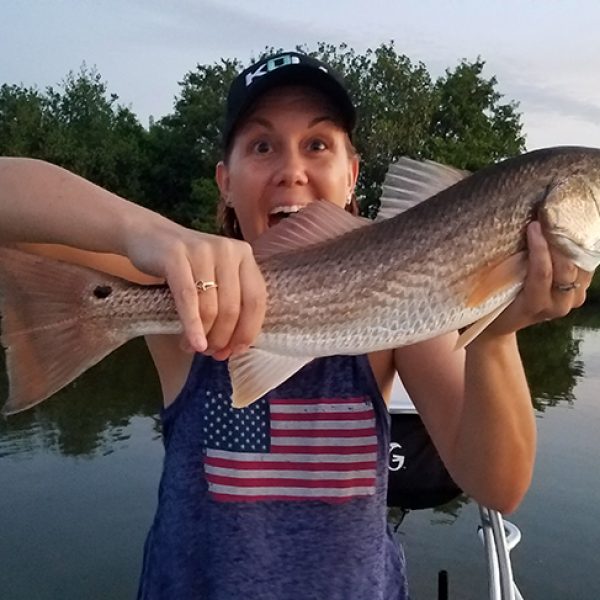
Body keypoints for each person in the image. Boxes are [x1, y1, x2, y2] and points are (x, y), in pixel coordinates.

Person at [0, 51, 591, 600]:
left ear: (353, 174)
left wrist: (496, 332)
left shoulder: (410, 312)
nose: (291, 170)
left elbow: (499, 486)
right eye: (261, 147)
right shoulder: (184, 289)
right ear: (225, 182)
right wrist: (149, 234)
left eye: (317, 144)